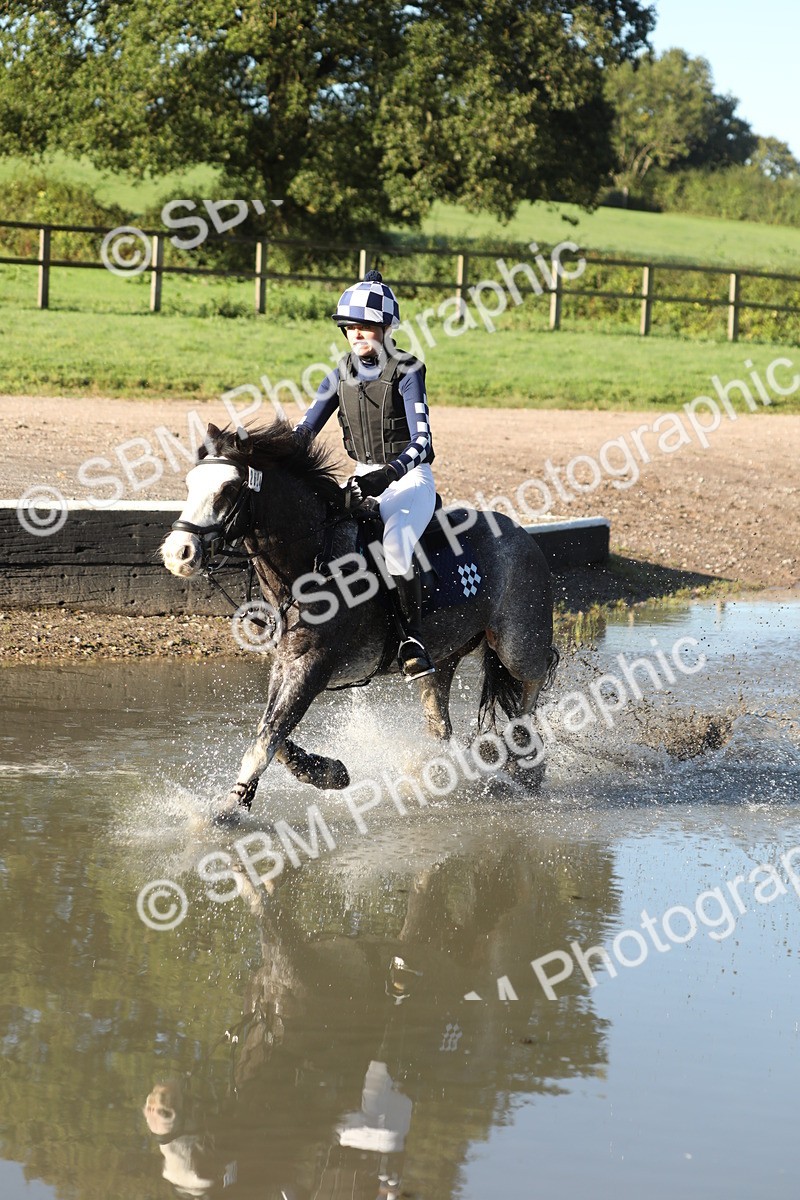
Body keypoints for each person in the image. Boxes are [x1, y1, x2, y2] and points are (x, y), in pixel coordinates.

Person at [294, 270, 437, 680]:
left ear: (387, 328)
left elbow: (423, 442)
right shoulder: (338, 374)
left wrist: (386, 475)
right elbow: (304, 432)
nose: (359, 335)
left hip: (409, 480)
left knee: (394, 549)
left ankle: (413, 641)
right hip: (362, 476)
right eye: (351, 328)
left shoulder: (408, 370)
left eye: (368, 327)